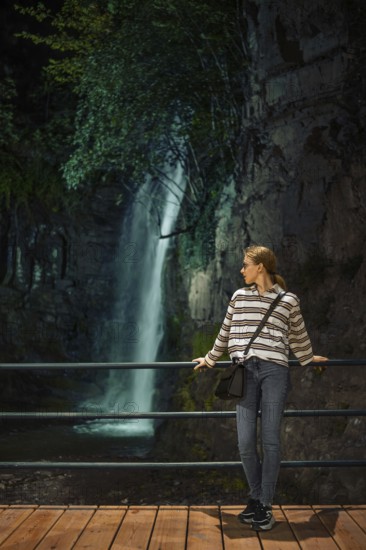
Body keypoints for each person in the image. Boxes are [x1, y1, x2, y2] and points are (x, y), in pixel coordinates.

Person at [193, 245, 328, 531]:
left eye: (245, 265)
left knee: (270, 439)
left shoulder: (289, 300)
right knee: (244, 443)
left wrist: (308, 357)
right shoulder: (238, 297)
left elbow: (297, 336)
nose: (242, 270)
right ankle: (256, 497)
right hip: (244, 372)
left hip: (274, 371)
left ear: (261, 268)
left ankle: (264, 505)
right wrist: (210, 358)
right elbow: (225, 331)